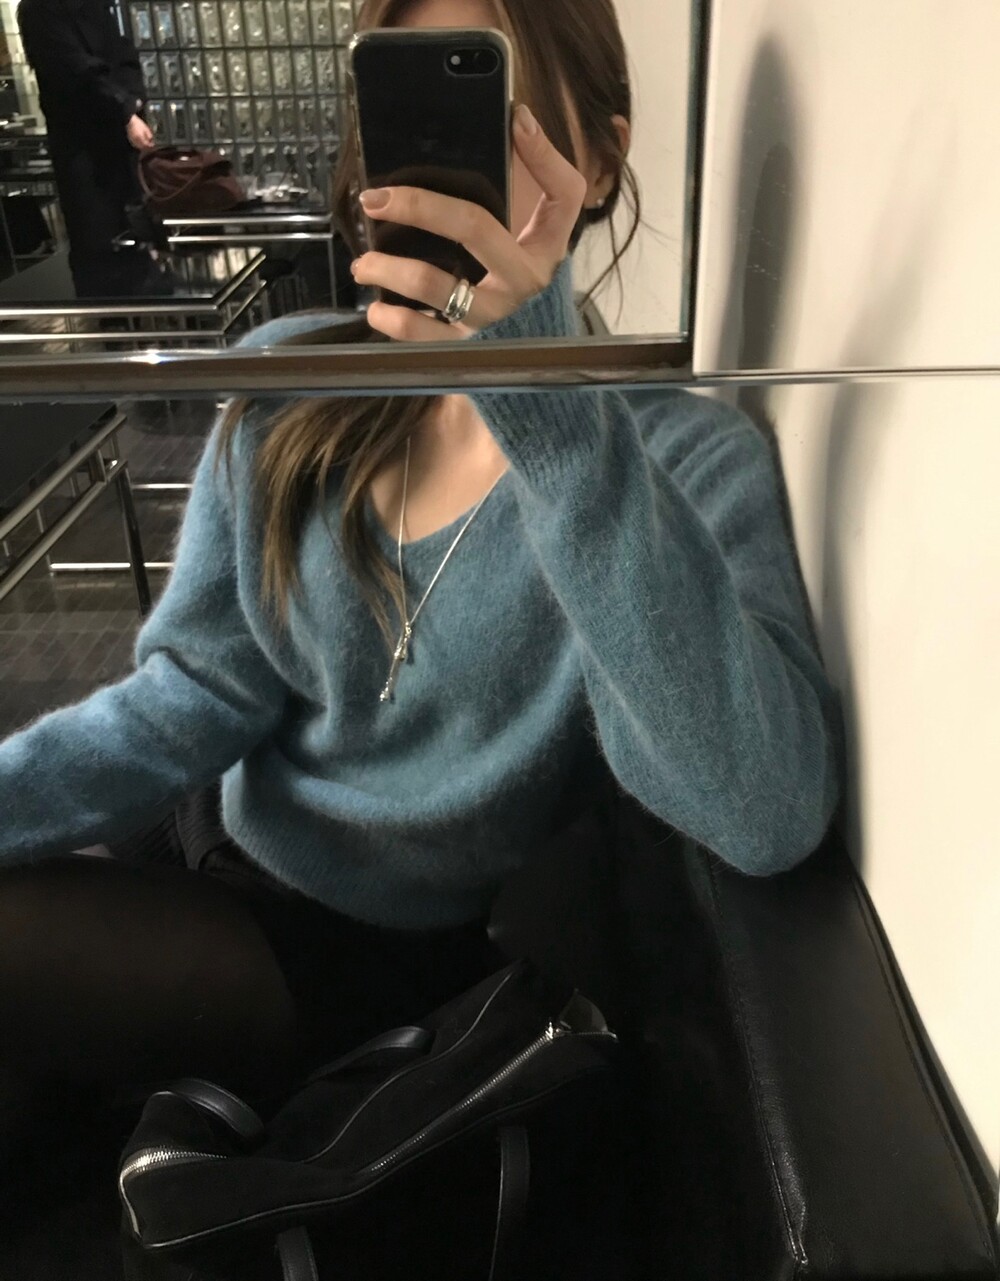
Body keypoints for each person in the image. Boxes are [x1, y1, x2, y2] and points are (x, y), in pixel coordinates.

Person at [0, 0, 843, 1125]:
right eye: (413, 118)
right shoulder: (298, 378)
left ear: (600, 159)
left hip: (366, 961)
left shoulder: (681, 461)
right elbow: (195, 693)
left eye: (495, 112)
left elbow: (765, 811)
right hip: (204, 845)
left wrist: (538, 394)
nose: (452, 170)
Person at [16, 0, 161, 296]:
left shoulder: (92, 6)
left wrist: (131, 102)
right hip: (81, 147)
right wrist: (125, 109)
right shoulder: (40, 10)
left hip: (114, 141)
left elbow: (124, 56)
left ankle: (146, 308)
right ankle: (114, 318)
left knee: (137, 234)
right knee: (99, 244)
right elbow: (74, 69)